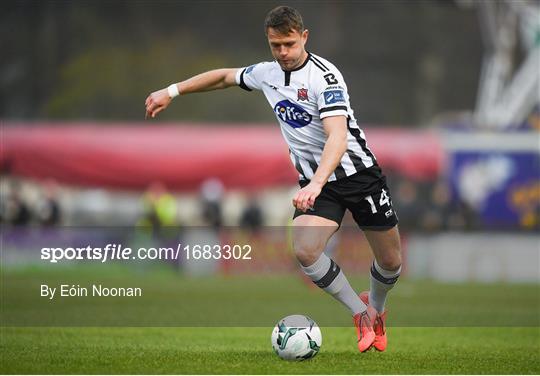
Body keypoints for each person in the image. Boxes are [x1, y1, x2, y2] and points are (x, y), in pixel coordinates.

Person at [145, 5, 401, 353]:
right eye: (275, 45)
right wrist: (171, 91)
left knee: (390, 262)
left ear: (304, 37)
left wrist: (314, 183)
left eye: (289, 44)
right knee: (305, 250)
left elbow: (337, 138)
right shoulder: (266, 74)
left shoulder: (324, 77)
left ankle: (378, 309)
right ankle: (360, 314)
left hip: (359, 176)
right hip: (318, 184)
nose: (282, 52)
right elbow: (223, 77)